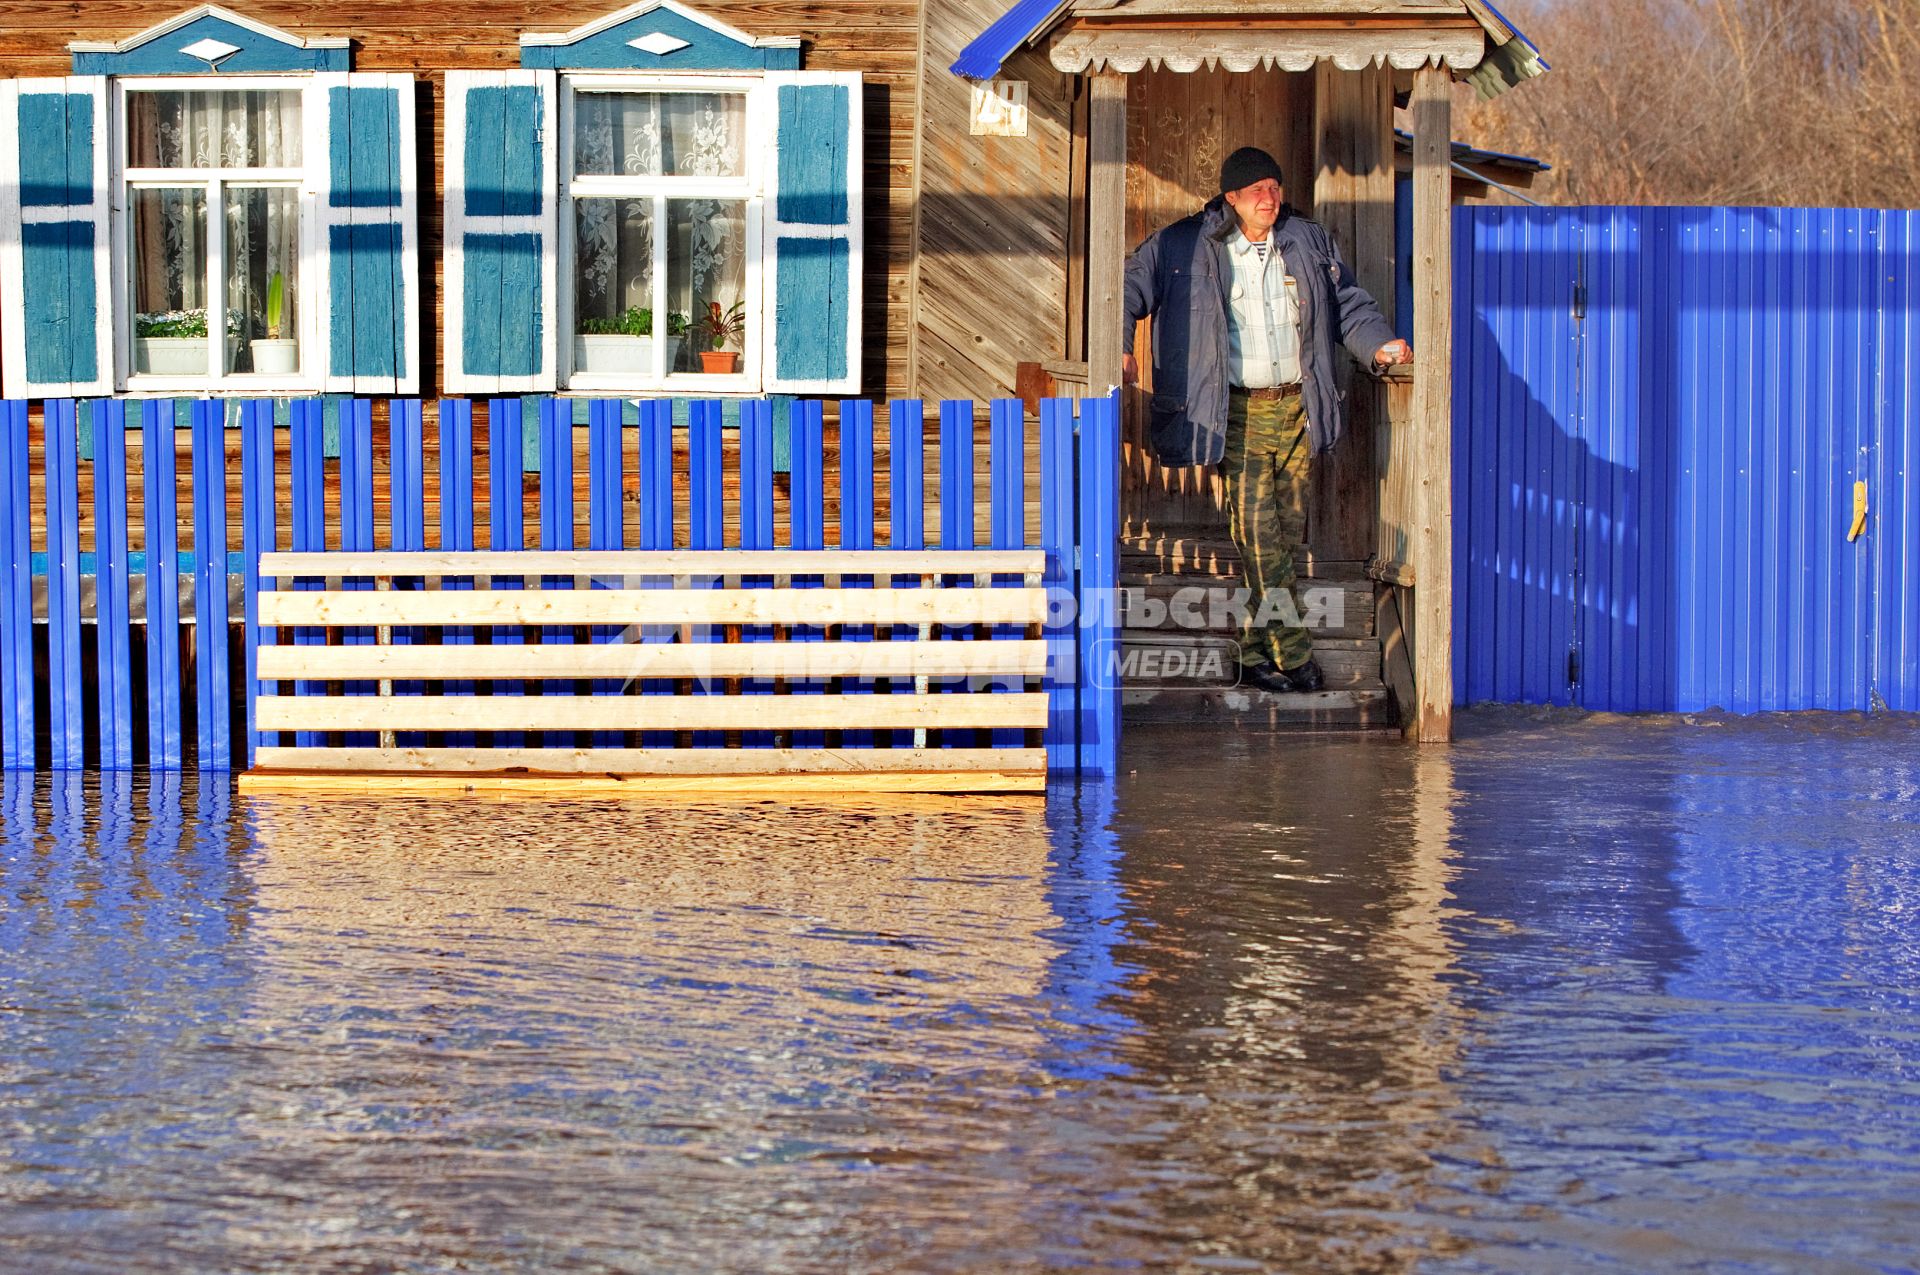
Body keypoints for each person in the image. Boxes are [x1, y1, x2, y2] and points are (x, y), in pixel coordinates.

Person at [1122, 146, 1411, 695]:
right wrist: (1119, 347)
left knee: (1277, 538)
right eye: (1256, 190)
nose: (1269, 198)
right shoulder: (1185, 244)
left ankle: (1253, 657)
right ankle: (1293, 651)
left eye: (1275, 187)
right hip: (1235, 411)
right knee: (1258, 536)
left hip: (1298, 408)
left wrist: (1381, 347)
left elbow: (1348, 305)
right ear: (1231, 197)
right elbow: (1126, 291)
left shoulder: (1307, 242)